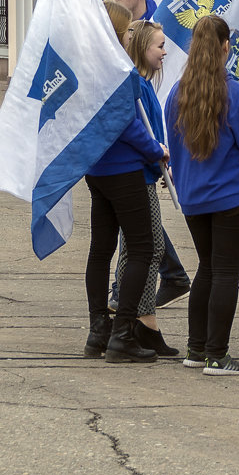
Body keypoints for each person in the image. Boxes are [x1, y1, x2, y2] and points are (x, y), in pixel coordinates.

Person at [165, 15, 239, 376]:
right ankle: (218, 354)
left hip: (194, 197)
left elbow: (175, 153)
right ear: (227, 48)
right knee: (226, 273)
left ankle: (197, 349)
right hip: (231, 197)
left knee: (207, 269)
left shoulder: (176, 95)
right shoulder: (238, 95)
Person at [81, 31, 170, 363]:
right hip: (124, 168)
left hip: (97, 167)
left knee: (101, 250)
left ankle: (98, 332)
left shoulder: (91, 65)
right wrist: (156, 151)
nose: (132, 33)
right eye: (128, 30)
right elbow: (129, 123)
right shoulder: (120, 70)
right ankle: (123, 334)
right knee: (143, 248)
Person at [112, 0, 192, 307]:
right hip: (136, 152)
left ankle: (131, 310)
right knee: (138, 234)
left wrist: (159, 151)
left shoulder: (161, 25)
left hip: (148, 142)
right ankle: (138, 303)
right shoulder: (117, 35)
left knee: (139, 237)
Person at [106, 20, 178, 355]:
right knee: (145, 249)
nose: (164, 52)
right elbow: (138, 133)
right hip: (138, 174)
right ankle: (133, 320)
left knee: (144, 249)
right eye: (159, 46)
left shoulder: (145, 85)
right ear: (142, 48)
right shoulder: (135, 84)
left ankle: (144, 322)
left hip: (147, 171)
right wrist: (157, 155)